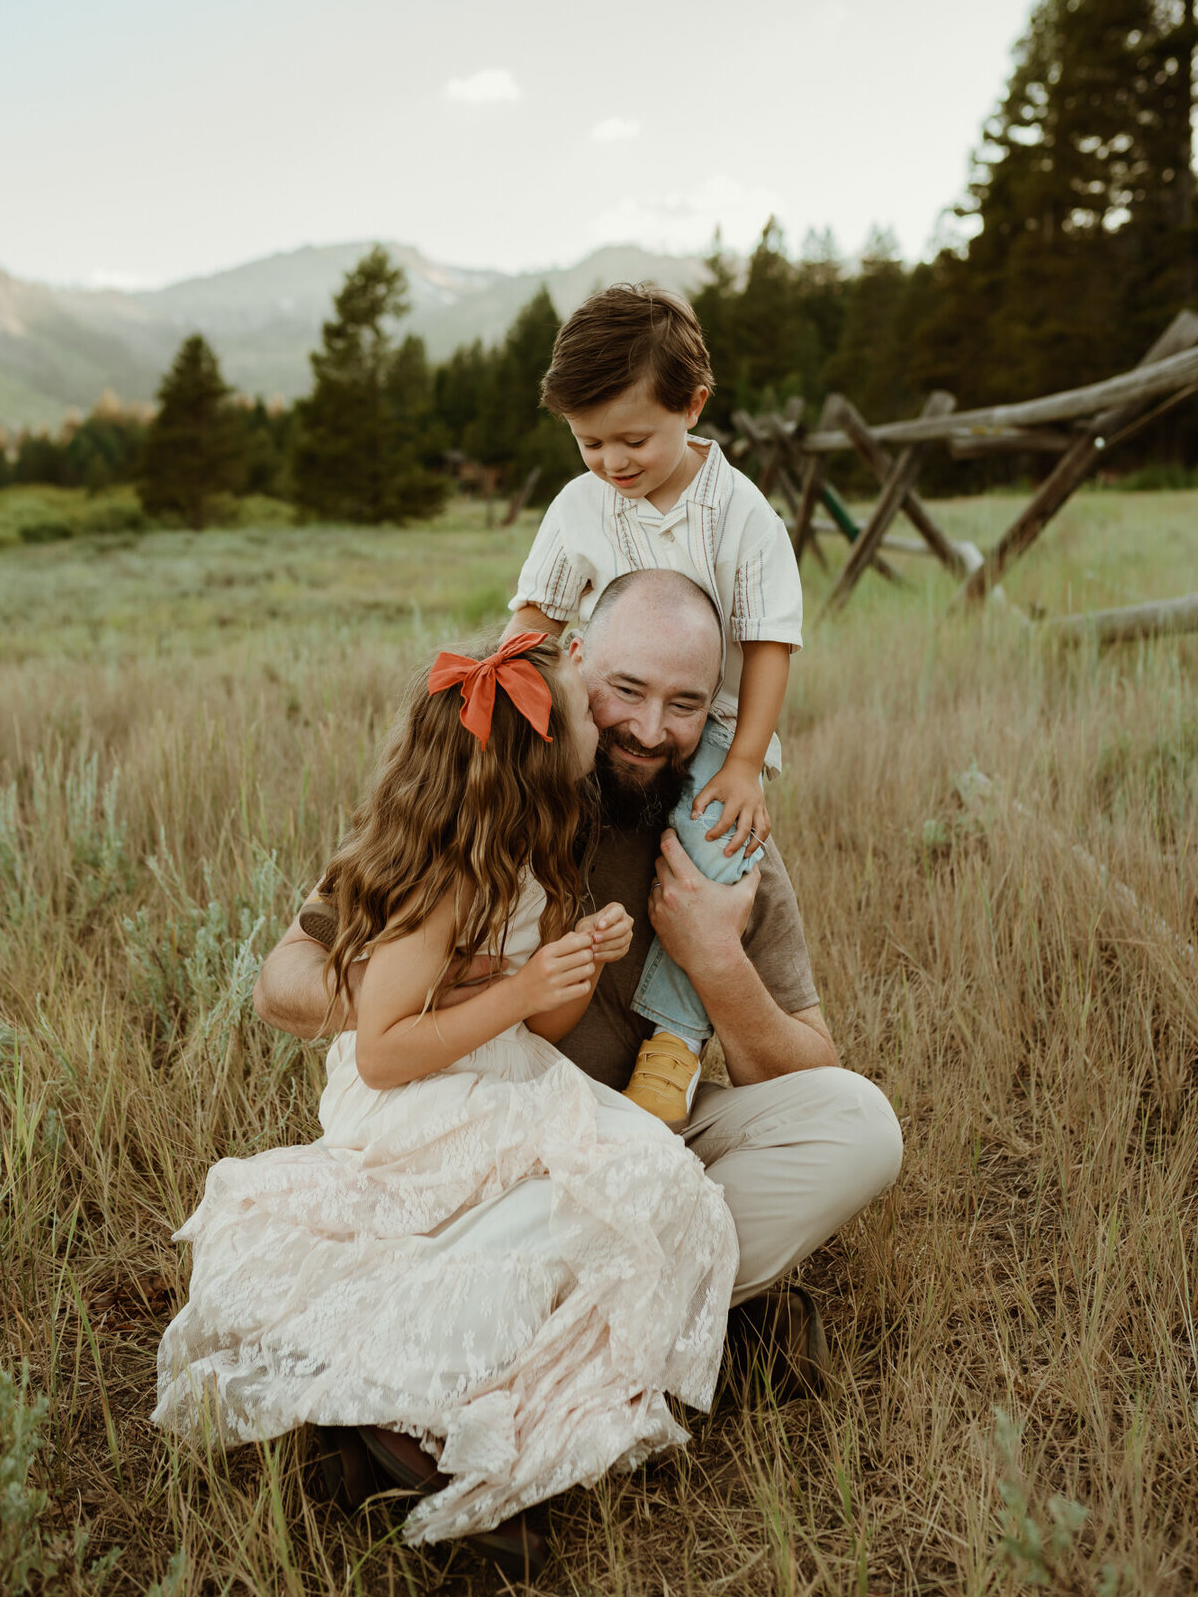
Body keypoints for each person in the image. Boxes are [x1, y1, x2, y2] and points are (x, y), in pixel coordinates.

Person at [257, 572, 904, 1555]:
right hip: (490, 1150)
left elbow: (809, 1060)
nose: (650, 728)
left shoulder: (724, 836)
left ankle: (499, 1358)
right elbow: (287, 981)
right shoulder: (490, 784)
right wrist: (455, 996)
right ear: (576, 664)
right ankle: (530, 1375)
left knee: (859, 1127)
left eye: (686, 704)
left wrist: (716, 965)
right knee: (575, 1204)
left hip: (642, 1134)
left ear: (717, 707)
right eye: (628, 693)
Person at [154, 631, 739, 1578]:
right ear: (540, 761)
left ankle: (458, 1422)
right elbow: (381, 1052)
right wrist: (514, 993)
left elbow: (543, 1028)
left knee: (646, 1186)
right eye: (589, 707)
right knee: (630, 1181)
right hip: (417, 1094)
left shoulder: (535, 854)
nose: (603, 715)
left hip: (501, 1067)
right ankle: (404, 1403)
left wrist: (569, 963)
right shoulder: (449, 877)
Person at [505, 283, 804, 1123]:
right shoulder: (580, 505)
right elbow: (536, 615)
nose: (611, 462)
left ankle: (674, 1042)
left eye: (632, 438)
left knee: (712, 851)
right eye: (588, 442)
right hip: (602, 706)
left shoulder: (742, 517)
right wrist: (506, 692)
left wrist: (744, 763)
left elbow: (772, 642)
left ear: (694, 406)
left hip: (705, 726)